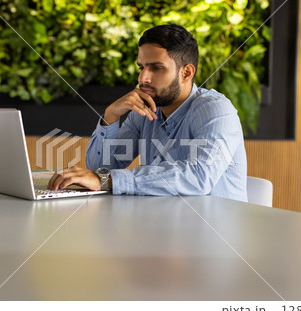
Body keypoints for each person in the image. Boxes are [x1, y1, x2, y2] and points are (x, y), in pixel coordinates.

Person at [48, 24, 247, 201]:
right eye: (141, 67)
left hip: (213, 235)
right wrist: (110, 116)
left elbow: (199, 176)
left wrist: (108, 180)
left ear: (186, 73)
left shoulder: (216, 110)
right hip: (163, 229)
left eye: (157, 68)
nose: (144, 78)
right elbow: (101, 169)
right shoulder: (144, 110)